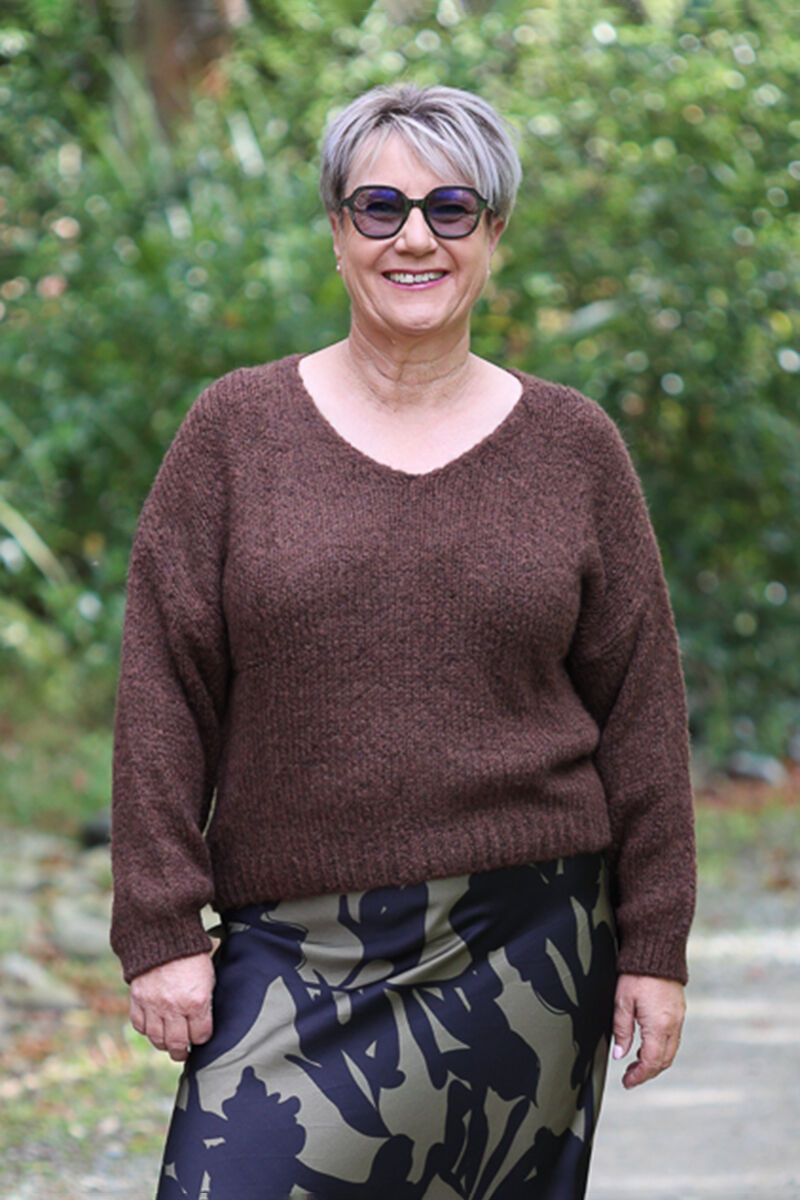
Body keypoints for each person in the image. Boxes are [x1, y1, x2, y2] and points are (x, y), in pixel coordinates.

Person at [110, 82, 697, 1199]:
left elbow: (641, 711)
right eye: (379, 207)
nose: (414, 238)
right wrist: (159, 925)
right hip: (290, 950)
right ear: (336, 230)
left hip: (526, 947)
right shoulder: (234, 433)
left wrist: (654, 946)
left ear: (493, 232)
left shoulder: (573, 448)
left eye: (450, 208)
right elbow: (163, 693)